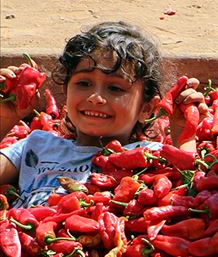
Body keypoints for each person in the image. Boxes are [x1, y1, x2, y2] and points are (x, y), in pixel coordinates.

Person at [0, 21, 202, 208]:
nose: (95, 98)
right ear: (65, 90)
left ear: (146, 108)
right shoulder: (38, 145)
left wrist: (184, 133)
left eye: (115, 88)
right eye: (83, 83)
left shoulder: (151, 155)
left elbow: (190, 194)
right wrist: (5, 118)